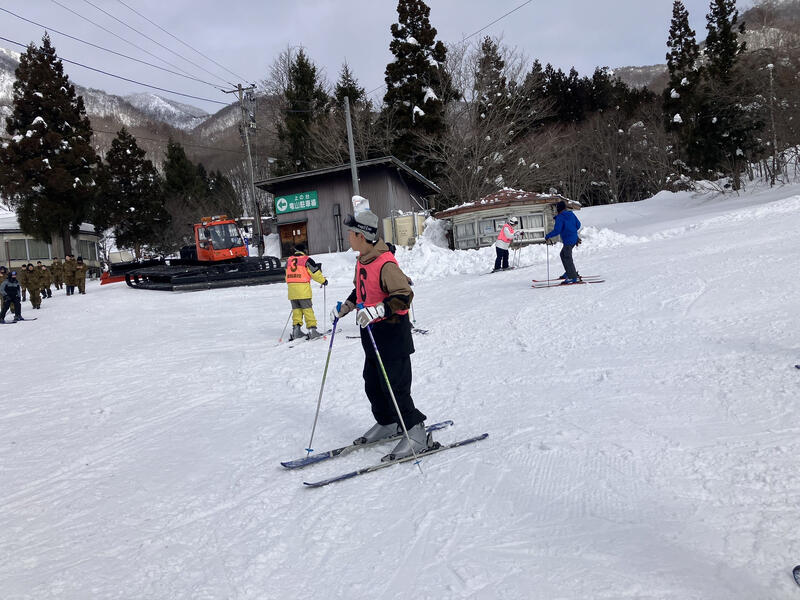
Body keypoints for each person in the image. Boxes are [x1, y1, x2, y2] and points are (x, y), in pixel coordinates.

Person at [330, 209, 434, 461]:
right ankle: (388, 422)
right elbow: (362, 290)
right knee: (373, 383)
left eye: (351, 233)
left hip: (392, 334)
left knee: (395, 386)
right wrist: (347, 305)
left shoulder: (385, 263)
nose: (348, 237)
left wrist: (378, 310)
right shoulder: (363, 260)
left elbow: (404, 295)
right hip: (372, 334)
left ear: (361, 236)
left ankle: (416, 431)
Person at [285, 242, 328, 341]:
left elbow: (286, 275)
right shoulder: (306, 260)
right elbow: (315, 273)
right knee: (307, 309)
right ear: (303, 250)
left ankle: (296, 331)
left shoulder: (289, 260)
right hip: (303, 290)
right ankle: (312, 330)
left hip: (292, 290)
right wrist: (323, 281)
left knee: (296, 310)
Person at [545, 200, 582, 284]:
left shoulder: (560, 217)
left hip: (568, 240)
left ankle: (572, 276)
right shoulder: (571, 214)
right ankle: (569, 272)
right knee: (563, 254)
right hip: (574, 238)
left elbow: (557, 230)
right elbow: (578, 224)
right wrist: (572, 231)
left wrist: (548, 236)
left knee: (567, 257)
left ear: (558, 209)